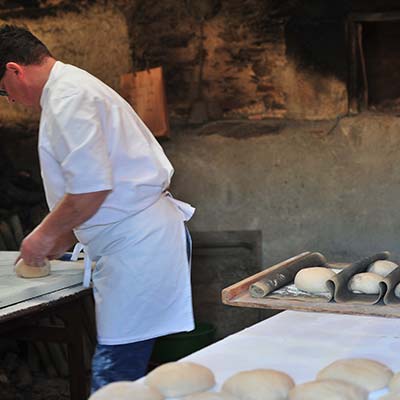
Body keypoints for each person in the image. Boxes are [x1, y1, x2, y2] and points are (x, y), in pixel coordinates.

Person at [0, 25, 195, 392]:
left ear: (14, 69)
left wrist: (43, 236)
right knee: (125, 369)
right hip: (132, 239)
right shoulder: (70, 88)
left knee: (114, 375)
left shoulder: (68, 97)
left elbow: (91, 188)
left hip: (138, 245)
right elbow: (96, 183)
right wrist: (68, 236)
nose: (7, 98)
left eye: (2, 89)